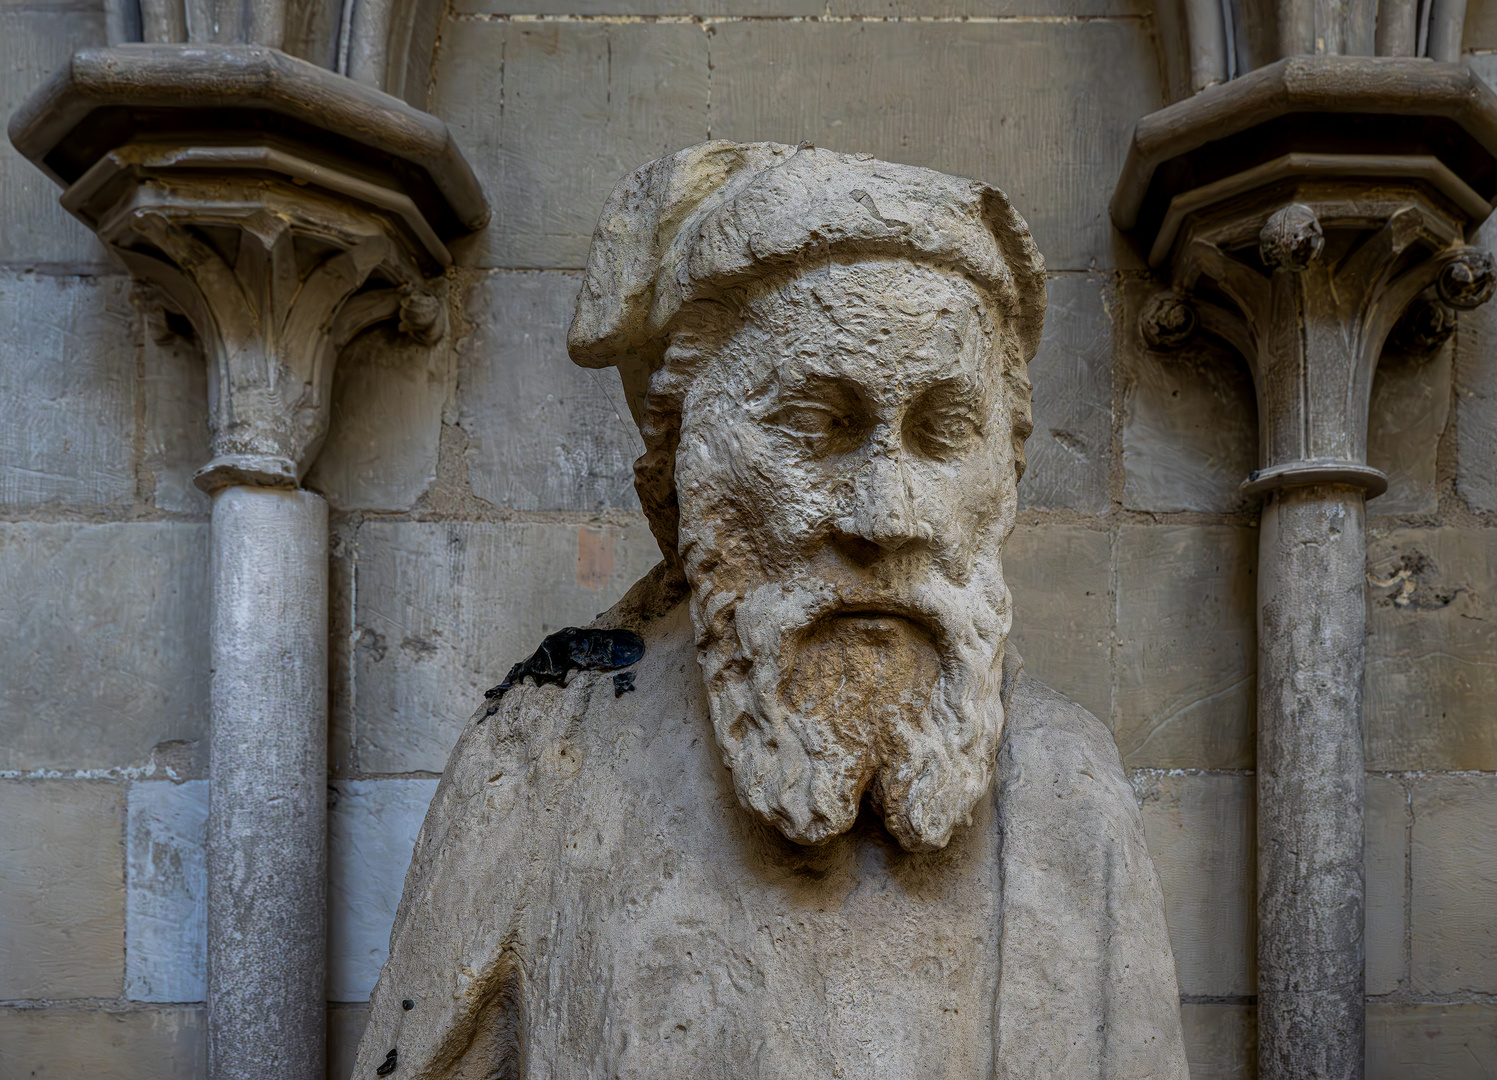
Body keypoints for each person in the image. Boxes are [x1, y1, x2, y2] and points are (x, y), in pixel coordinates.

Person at [352, 141, 1188, 1080]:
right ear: (688, 463)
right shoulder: (544, 758)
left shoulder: (1068, 790)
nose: (886, 516)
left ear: (1004, 468)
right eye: (814, 427)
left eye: (941, 433)